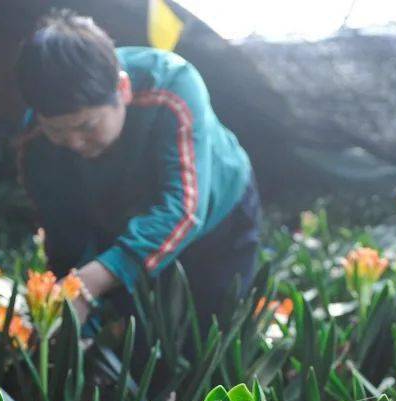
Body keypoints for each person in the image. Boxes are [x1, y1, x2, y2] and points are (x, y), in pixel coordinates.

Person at [15, 10, 260, 326]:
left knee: (214, 328)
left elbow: (183, 209)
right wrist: (74, 306)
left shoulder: (172, 86)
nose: (74, 142)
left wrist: (94, 280)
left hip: (216, 218)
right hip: (126, 222)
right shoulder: (36, 137)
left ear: (123, 89)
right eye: (58, 131)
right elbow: (64, 229)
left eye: (87, 126)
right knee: (139, 340)